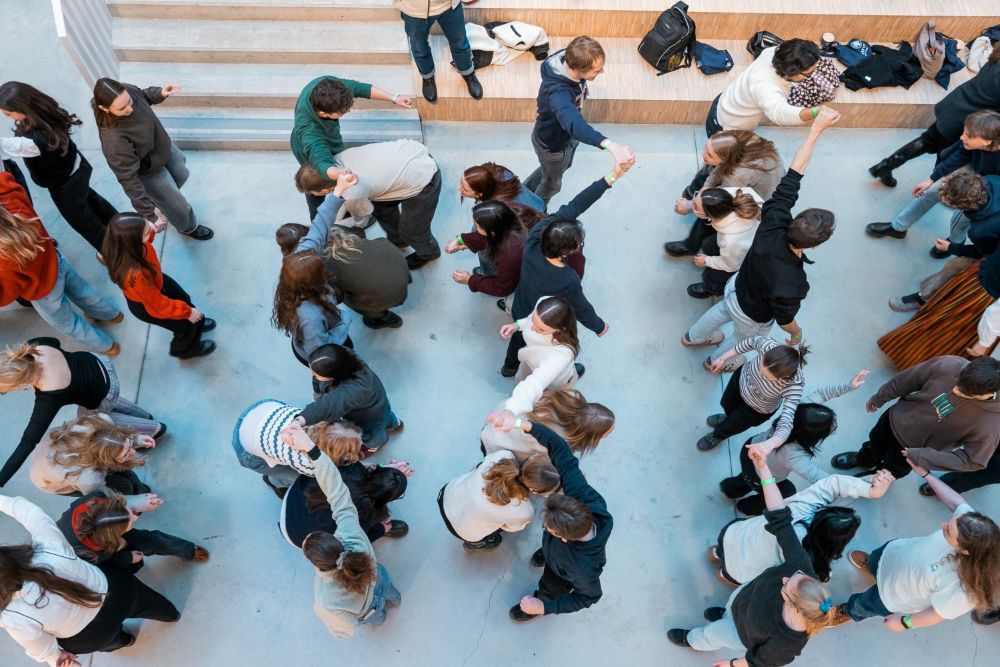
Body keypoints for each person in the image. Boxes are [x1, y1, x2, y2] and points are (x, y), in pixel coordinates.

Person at [683, 108, 840, 369]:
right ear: (815, 245)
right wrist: (796, 334)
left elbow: (795, 173)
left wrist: (816, 130)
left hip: (735, 288)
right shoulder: (795, 282)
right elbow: (785, 319)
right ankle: (715, 363)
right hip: (751, 315)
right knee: (741, 341)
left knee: (717, 313)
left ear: (796, 219)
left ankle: (692, 338)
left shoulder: (774, 218)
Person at [668, 448, 838, 665]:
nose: (785, 577)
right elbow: (780, 519)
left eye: (787, 586)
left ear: (794, 607)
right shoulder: (800, 567)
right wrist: (765, 471)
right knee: (730, 609)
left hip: (740, 632)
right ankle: (726, 615)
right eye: (795, 577)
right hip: (744, 597)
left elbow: (758, 662)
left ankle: (693, 640)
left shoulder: (786, 644)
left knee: (712, 634)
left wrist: (732, 664)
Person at [0, 494, 179, 665]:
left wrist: (56, 659)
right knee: (147, 601)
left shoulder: (10, 618)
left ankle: (124, 640)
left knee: (109, 640)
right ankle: (170, 614)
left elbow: (41, 649)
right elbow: (28, 511)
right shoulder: (48, 546)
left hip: (90, 636)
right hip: (114, 590)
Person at [833, 457, 1000, 630]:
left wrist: (905, 623)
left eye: (948, 531)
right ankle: (872, 565)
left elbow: (936, 614)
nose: (943, 525)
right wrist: (926, 475)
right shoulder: (974, 529)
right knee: (877, 559)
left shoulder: (967, 592)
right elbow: (956, 502)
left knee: (865, 604)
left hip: (894, 594)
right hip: (894, 555)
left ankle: (848, 611)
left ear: (965, 550)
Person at [504, 165, 626, 374]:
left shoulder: (536, 236)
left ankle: (509, 366)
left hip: (521, 307)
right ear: (567, 251)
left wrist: (610, 177)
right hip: (541, 318)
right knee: (548, 347)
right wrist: (598, 326)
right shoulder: (566, 280)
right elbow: (580, 307)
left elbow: (576, 205)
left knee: (518, 339)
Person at [283, 424, 400, 639]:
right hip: (377, 576)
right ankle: (396, 599)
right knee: (390, 591)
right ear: (334, 539)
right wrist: (311, 449)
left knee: (379, 617)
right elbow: (336, 490)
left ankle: (382, 617)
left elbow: (345, 627)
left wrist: (344, 632)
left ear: (316, 565)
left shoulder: (325, 600)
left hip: (366, 610)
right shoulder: (351, 532)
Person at [0, 337, 161, 488]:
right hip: (100, 364)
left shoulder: (49, 397)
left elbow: (28, 443)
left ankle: (152, 428)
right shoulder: (35, 346)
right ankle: (144, 415)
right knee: (105, 401)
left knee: (93, 424)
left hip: (103, 392)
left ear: (18, 384)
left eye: (4, 391)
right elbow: (54, 341)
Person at [498, 418, 612, 622]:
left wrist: (543, 607)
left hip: (560, 572)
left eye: (548, 528)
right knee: (549, 550)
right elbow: (560, 448)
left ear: (564, 537)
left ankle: (536, 605)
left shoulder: (582, 569)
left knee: (550, 589)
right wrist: (519, 422)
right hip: (556, 551)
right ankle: (546, 552)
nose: (543, 525)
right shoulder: (582, 495)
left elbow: (589, 596)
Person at [1, 173, 122, 354]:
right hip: (56, 261)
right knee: (83, 291)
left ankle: (107, 346)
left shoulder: (3, 261)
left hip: (42, 292)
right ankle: (112, 314)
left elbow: (5, 294)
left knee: (70, 325)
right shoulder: (12, 202)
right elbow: (7, 182)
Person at [720, 372, 867, 515]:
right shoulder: (794, 456)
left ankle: (729, 489)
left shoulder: (798, 410)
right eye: (828, 428)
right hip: (758, 472)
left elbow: (822, 394)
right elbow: (821, 478)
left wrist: (848, 386)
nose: (834, 425)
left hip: (752, 447)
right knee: (786, 492)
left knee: (745, 478)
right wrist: (859, 487)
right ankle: (746, 506)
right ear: (811, 436)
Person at [831, 355, 1000, 479]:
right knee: (874, 443)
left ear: (986, 394)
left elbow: (973, 460)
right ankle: (864, 459)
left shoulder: (991, 423)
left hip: (912, 451)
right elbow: (908, 379)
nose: (955, 390)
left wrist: (922, 456)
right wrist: (881, 397)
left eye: (963, 392)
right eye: (957, 382)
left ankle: (873, 479)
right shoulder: (949, 364)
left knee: (890, 471)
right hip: (894, 420)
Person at [713, 471, 892, 586]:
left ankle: (715, 553)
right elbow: (816, 579)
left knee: (718, 550)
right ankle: (723, 574)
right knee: (726, 574)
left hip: (734, 535)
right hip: (741, 570)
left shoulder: (801, 509)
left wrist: (870, 489)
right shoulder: (808, 560)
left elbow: (832, 484)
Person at [0, 81, 118, 250]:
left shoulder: (33, 141)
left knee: (86, 224)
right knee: (94, 201)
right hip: (78, 167)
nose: (7, 117)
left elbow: (5, 146)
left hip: (64, 186)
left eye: (8, 114)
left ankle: (114, 253)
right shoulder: (47, 111)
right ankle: (126, 228)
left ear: (21, 109)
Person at [91, 78, 212, 240]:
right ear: (104, 108)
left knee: (181, 173)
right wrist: (148, 213)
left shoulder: (127, 90)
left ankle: (159, 200)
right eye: (122, 108)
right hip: (147, 170)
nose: (130, 109)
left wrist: (160, 93)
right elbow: (128, 178)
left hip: (161, 146)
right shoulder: (113, 140)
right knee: (178, 206)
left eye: (129, 102)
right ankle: (189, 227)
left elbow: (143, 95)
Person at [866, 110, 1000, 256]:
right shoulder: (973, 143)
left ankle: (954, 243)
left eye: (969, 136)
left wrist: (952, 248)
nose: (962, 137)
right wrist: (931, 179)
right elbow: (959, 156)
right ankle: (898, 228)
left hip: (992, 188)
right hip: (979, 173)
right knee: (932, 190)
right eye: (964, 132)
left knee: (960, 221)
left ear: (987, 141)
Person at [868, 42, 1000, 187]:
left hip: (955, 103)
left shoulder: (998, 55)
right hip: (966, 119)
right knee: (946, 157)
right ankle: (934, 187)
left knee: (927, 140)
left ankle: (885, 166)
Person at [295, 139, 442, 269]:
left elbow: (362, 219)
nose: (311, 195)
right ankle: (398, 240)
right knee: (381, 208)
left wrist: (346, 223)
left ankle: (429, 253)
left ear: (325, 190)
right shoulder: (336, 161)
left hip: (425, 178)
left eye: (312, 192)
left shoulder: (353, 192)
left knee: (412, 231)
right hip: (409, 151)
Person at [525, 36, 634, 207]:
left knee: (559, 168)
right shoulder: (558, 95)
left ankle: (524, 190)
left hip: (566, 137)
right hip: (552, 145)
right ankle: (533, 211)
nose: (602, 72)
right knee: (551, 185)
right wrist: (612, 146)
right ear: (578, 69)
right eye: (597, 71)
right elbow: (574, 124)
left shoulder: (568, 57)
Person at [290, 75, 413, 219]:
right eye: (342, 112)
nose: (348, 111)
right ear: (323, 113)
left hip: (330, 140)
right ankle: (319, 221)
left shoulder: (324, 87)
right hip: (311, 153)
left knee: (341, 187)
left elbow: (359, 88)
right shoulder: (309, 131)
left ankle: (347, 214)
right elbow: (322, 165)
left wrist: (394, 98)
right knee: (316, 186)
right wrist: (340, 172)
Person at [101, 212, 216, 359]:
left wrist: (153, 227)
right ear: (134, 242)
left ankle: (197, 324)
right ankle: (185, 349)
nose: (151, 228)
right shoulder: (135, 277)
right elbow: (159, 305)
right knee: (183, 325)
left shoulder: (123, 246)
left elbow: (147, 235)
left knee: (184, 298)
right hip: (150, 304)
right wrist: (187, 313)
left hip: (154, 281)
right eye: (146, 232)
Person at [887, 171, 1000, 313]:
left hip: (994, 260)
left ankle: (924, 298)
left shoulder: (981, 231)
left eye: (947, 202)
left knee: (954, 266)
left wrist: (951, 247)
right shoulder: (992, 180)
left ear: (961, 206)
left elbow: (982, 254)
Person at [665, 129, 783, 258]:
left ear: (726, 158)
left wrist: (689, 207)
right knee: (706, 172)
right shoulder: (734, 139)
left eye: (709, 155)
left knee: (710, 207)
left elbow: (716, 197)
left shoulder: (737, 176)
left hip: (762, 201)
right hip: (766, 174)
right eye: (706, 148)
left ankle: (691, 246)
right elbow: (717, 171)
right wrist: (705, 188)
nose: (703, 154)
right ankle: (692, 193)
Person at [231, 398, 363, 496]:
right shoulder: (307, 463)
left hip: (262, 409)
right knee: (298, 480)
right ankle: (274, 482)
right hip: (245, 448)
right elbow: (321, 473)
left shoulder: (316, 417)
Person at [697, 337, 808, 452]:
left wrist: (771, 443)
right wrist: (723, 358)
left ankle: (718, 435)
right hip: (740, 382)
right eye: (760, 365)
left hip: (755, 410)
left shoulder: (794, 384)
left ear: (783, 377)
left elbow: (786, 422)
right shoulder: (768, 345)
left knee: (733, 425)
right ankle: (727, 417)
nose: (760, 373)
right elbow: (749, 342)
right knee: (726, 403)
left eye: (766, 376)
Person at [292, 224, 411, 330]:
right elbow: (359, 232)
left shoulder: (319, 264)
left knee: (348, 298)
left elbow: (337, 295)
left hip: (388, 293)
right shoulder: (331, 228)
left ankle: (383, 318)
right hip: (398, 263)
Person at [706, 39, 831, 136]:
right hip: (726, 128)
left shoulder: (774, 51)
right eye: (809, 74)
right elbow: (780, 113)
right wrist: (815, 112)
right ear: (791, 72)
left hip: (724, 100)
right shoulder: (765, 86)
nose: (812, 76)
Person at [439, 450, 559, 550]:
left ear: (530, 460)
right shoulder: (525, 512)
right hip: (461, 530)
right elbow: (509, 528)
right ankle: (477, 544)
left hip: (447, 493)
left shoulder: (503, 455)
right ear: (535, 490)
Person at [294, 344, 402, 454]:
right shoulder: (343, 356)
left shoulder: (355, 390)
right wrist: (317, 390)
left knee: (370, 434)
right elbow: (318, 379)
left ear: (335, 375)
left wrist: (299, 420)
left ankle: (377, 444)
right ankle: (396, 423)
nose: (311, 373)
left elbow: (327, 405)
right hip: (379, 402)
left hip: (368, 418)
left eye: (316, 373)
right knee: (386, 417)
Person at [57, 491, 209, 569]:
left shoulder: (95, 497)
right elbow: (109, 561)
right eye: (131, 522)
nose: (135, 516)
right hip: (93, 556)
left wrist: (137, 505)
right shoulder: (92, 554)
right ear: (114, 538)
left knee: (149, 540)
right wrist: (127, 558)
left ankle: (184, 549)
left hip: (105, 535)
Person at [281, 460, 413, 547]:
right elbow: (357, 541)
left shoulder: (349, 469)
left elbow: (357, 464)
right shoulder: (363, 517)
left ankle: (278, 485)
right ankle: (385, 527)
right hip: (303, 539)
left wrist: (384, 469)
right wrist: (380, 529)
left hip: (292, 500)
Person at [29, 415, 156, 498]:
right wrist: (136, 502)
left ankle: (140, 489)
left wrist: (137, 440)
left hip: (48, 448)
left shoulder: (101, 422)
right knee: (124, 487)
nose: (133, 452)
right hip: (48, 478)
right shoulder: (88, 479)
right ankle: (137, 492)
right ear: (106, 459)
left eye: (129, 446)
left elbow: (116, 436)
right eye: (126, 453)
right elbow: (105, 497)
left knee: (126, 474)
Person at [482, 386, 614, 461]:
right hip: (497, 441)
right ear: (589, 435)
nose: (610, 433)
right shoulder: (555, 442)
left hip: (502, 415)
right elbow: (537, 463)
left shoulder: (569, 397)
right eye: (607, 433)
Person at [272, 252, 353, 366]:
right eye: (320, 271)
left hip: (321, 332)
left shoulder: (293, 289)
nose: (325, 271)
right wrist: (345, 321)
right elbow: (321, 349)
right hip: (322, 356)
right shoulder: (310, 319)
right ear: (312, 281)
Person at [682, 187, 764, 299]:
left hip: (748, 257)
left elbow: (731, 265)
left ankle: (711, 287)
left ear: (710, 217)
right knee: (708, 245)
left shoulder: (731, 240)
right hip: (747, 239)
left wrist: (707, 260)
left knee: (720, 274)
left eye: (695, 207)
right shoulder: (734, 195)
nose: (691, 205)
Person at [398, 0, 482, 103]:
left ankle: (467, 72)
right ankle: (427, 76)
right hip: (414, 9)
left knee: (459, 42)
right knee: (419, 48)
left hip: (449, 4)